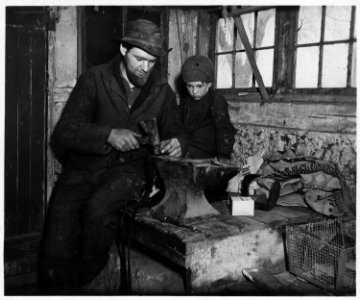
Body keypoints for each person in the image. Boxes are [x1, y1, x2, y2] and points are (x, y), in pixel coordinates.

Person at [39, 19, 187, 294]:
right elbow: (64, 133)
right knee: (55, 250)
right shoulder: (94, 79)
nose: (145, 68)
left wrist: (178, 142)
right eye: (139, 59)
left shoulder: (162, 92)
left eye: (152, 62)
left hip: (128, 172)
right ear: (123, 49)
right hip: (82, 170)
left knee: (98, 212)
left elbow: (177, 132)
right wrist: (107, 134)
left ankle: (86, 275)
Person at [179, 55, 236, 201]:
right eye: (189, 86)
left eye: (199, 86)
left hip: (209, 161)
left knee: (207, 196)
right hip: (188, 159)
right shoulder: (186, 103)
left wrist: (223, 157)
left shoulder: (215, 100)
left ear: (209, 84)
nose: (194, 91)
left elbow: (223, 129)